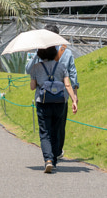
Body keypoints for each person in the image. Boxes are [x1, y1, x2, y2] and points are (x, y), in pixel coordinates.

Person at [29, 43, 78, 173]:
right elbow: (67, 85)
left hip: (43, 102)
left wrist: (37, 80)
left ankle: (48, 160)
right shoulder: (61, 67)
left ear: (40, 54)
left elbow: (32, 87)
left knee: (45, 132)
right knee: (56, 131)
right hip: (60, 102)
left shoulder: (36, 68)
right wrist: (74, 100)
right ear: (54, 53)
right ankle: (55, 161)